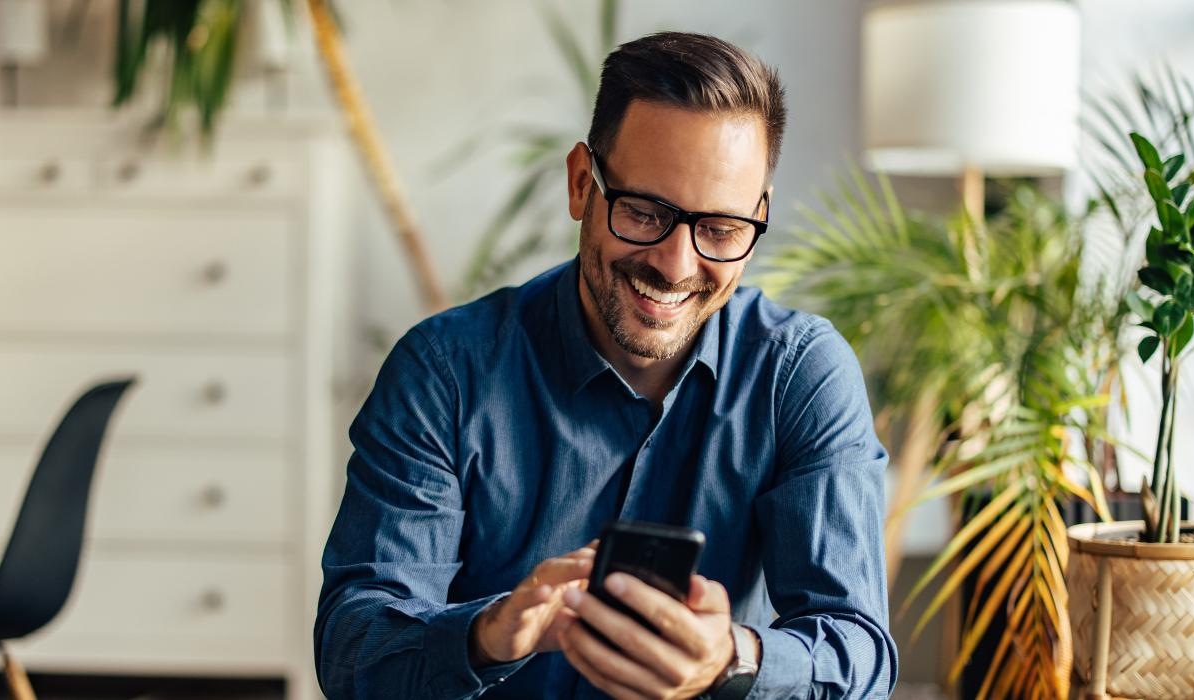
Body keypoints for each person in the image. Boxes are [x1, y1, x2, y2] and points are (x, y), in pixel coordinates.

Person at [315, 31, 897, 699]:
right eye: (645, 212)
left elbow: (860, 652)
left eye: (720, 229)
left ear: (757, 219)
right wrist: (487, 635)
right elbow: (352, 648)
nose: (676, 265)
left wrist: (733, 656)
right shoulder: (444, 373)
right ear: (581, 184)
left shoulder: (799, 375)